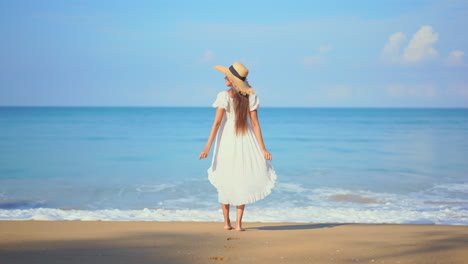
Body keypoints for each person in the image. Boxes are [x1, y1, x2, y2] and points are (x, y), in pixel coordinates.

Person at [199, 62, 277, 231]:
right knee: (242, 179)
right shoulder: (252, 97)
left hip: (227, 140)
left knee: (225, 178)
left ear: (233, 80)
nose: (224, 77)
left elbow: (217, 123)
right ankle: (238, 224)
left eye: (227, 76)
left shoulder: (224, 96)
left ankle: (227, 223)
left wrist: (207, 147)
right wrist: (262, 149)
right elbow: (255, 125)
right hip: (245, 139)